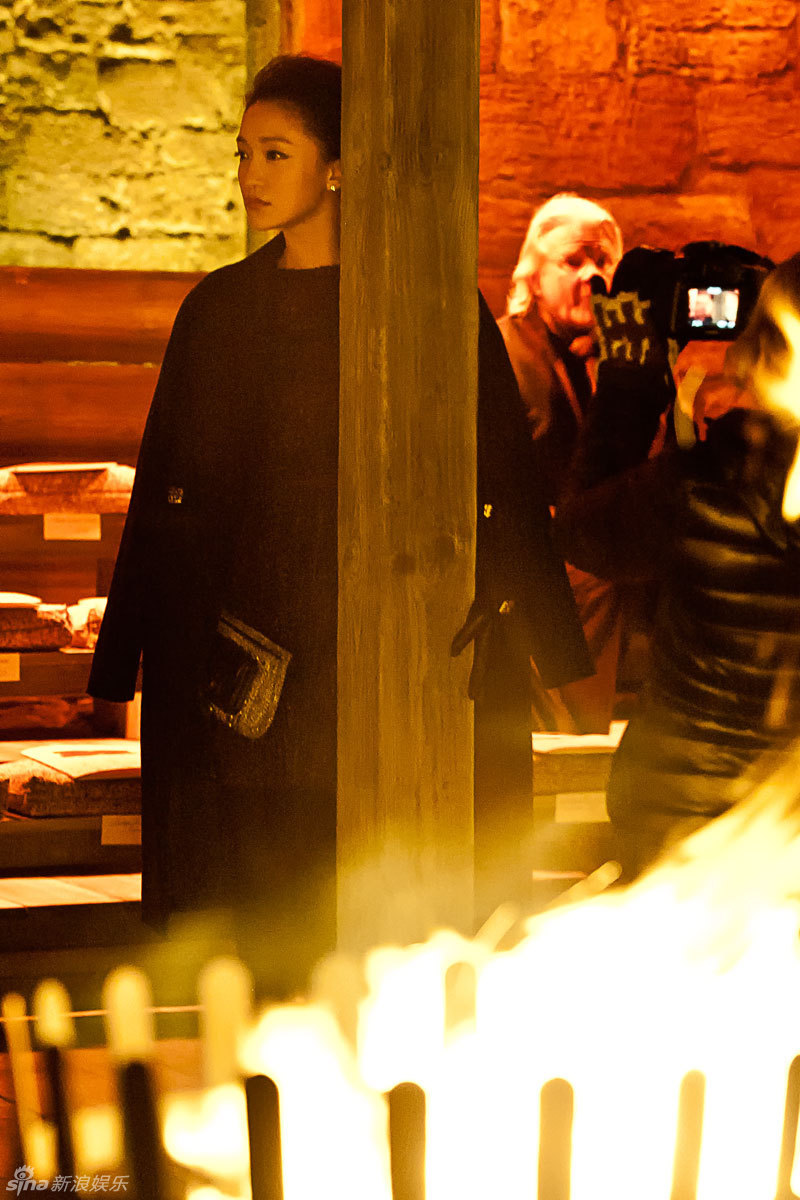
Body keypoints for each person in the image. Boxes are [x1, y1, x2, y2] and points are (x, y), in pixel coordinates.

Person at [89, 54, 590, 984]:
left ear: (338, 167)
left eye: (275, 153)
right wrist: (120, 664)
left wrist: (552, 653)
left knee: (392, 926)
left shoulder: (424, 303)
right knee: (267, 926)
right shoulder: (220, 310)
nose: (250, 175)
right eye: (244, 153)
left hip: (393, 654)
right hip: (249, 663)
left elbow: (504, 481)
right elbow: (166, 494)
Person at [555, 252, 800, 878]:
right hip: (785, 825)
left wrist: (629, 388)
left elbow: (582, 534)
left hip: (682, 822)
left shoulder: (705, 482)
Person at [498, 194, 627, 733]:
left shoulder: (596, 358)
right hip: (537, 574)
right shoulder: (508, 352)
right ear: (534, 273)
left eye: (603, 261)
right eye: (573, 261)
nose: (592, 275)